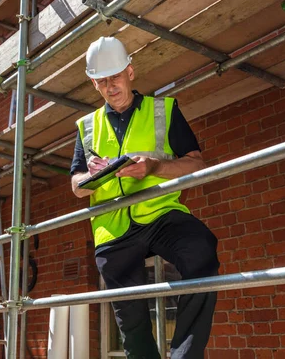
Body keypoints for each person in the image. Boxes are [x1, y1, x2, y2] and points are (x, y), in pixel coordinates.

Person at [71, 36, 220, 359]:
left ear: (130, 73)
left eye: (115, 78)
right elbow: (76, 185)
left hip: (160, 214)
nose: (109, 87)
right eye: (101, 82)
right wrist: (92, 177)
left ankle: (184, 355)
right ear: (94, 83)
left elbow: (196, 162)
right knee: (131, 318)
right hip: (112, 228)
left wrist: (153, 166)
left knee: (201, 251)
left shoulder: (163, 110)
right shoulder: (86, 127)